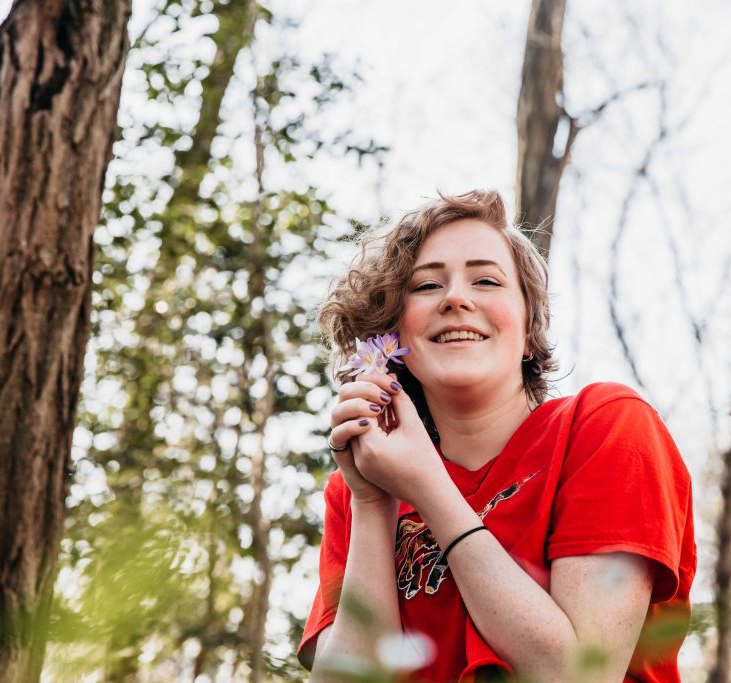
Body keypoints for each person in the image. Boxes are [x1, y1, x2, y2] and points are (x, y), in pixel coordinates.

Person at [298, 190, 696, 683]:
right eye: (426, 286)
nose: (455, 298)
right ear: (394, 337)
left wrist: (428, 488)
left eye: (486, 280)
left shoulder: (605, 426)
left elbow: (576, 675)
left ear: (530, 330)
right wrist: (373, 502)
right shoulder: (358, 487)